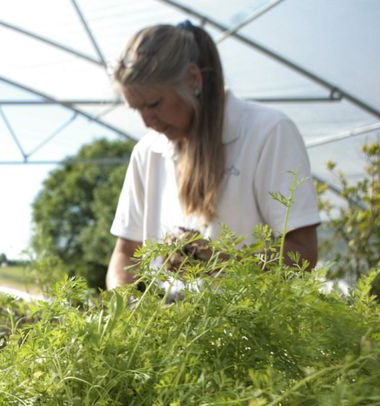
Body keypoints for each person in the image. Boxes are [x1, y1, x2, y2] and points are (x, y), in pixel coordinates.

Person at [106, 22, 320, 291]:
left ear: (193, 78)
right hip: (168, 316)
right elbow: (125, 253)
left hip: (252, 316)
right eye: (136, 108)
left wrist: (220, 263)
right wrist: (127, 300)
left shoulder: (268, 132)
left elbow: (302, 252)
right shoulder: (146, 152)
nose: (147, 121)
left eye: (154, 104)